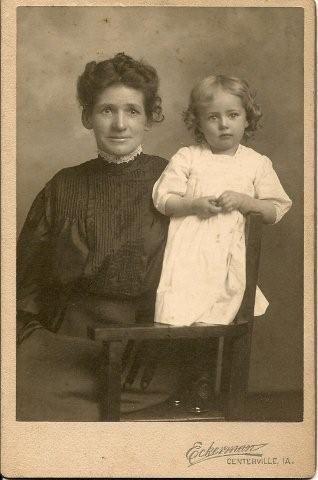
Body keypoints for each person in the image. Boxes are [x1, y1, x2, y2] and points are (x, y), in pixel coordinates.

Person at [16, 53, 171, 421]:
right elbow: (27, 283)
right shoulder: (63, 185)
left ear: (148, 118)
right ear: (88, 116)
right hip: (63, 341)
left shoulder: (173, 183)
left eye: (132, 111)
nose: (119, 124)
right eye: (106, 110)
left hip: (145, 350)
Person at [152, 74, 292, 411]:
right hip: (189, 257)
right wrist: (193, 204)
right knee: (186, 321)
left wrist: (246, 201)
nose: (223, 125)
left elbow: (276, 209)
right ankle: (181, 389)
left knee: (221, 318)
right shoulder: (188, 157)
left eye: (233, 115)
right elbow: (163, 198)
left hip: (229, 258)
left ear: (247, 118)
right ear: (198, 122)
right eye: (212, 117)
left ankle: (210, 391)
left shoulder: (256, 163)